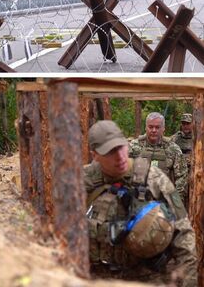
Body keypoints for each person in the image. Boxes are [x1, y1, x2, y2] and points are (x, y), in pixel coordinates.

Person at [84, 120, 197, 286]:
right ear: (94, 155)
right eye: (110, 152)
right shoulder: (81, 182)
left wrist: (189, 282)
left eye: (121, 147)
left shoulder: (154, 178)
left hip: (145, 278)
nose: (120, 156)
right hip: (96, 278)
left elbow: (184, 235)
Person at [129, 112, 188, 204]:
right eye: (150, 127)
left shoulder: (173, 148)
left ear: (163, 129)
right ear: (145, 127)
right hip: (138, 200)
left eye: (157, 127)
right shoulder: (133, 146)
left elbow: (182, 177)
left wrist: (176, 201)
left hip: (163, 202)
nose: (153, 130)